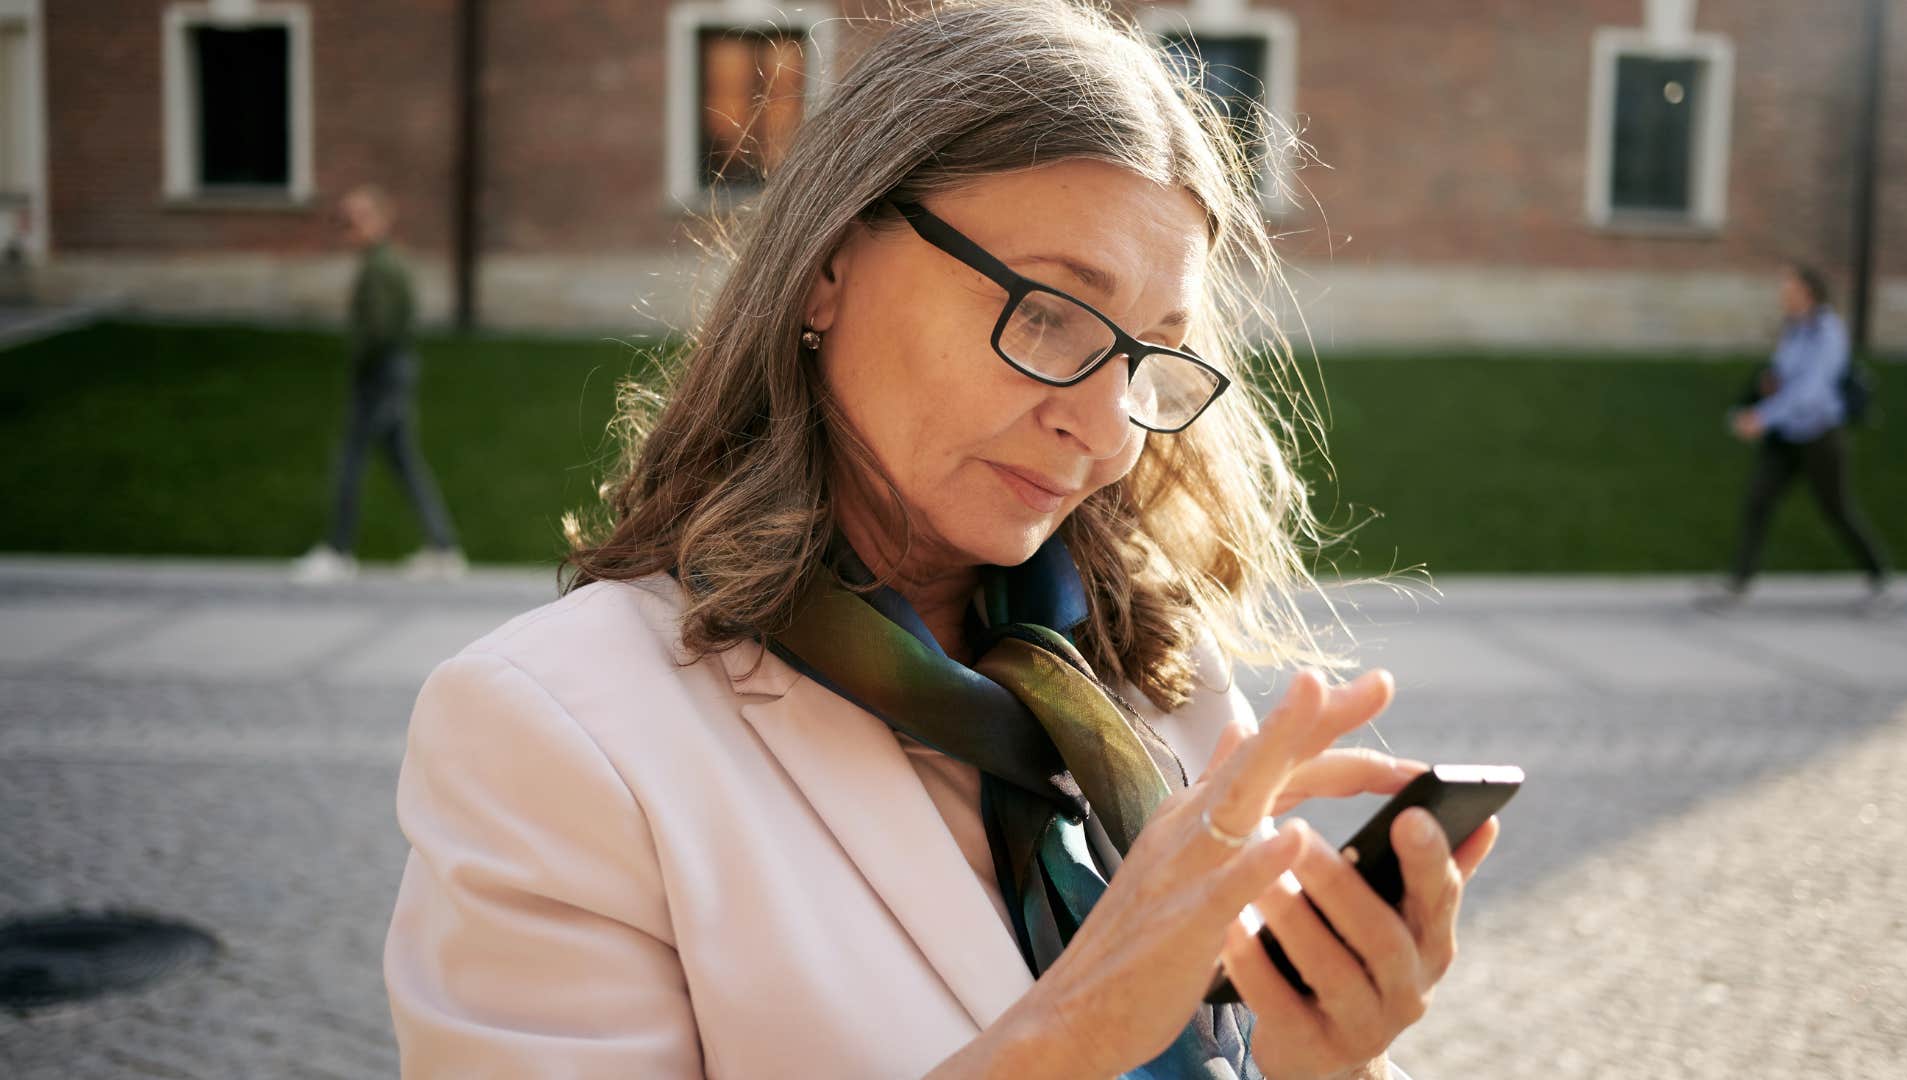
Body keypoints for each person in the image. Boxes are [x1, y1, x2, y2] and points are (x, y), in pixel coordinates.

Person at [383, 4, 1499, 1077]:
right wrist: (1071, 1035)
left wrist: (1332, 1061)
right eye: (1051, 313)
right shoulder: (555, 734)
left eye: (1149, 356)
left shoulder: (1158, 680)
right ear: (829, 266)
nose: (1106, 432)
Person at [291, 184, 465, 584]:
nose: (349, 227)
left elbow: (381, 330)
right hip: (391, 373)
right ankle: (443, 548)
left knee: (352, 458)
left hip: (381, 376)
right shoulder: (382, 263)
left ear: (381, 220)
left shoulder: (382, 267)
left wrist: (364, 365)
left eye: (357, 218)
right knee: (404, 462)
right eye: (345, 220)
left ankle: (338, 550)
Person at [1707, 263, 1891, 611]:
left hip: (1820, 434)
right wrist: (1761, 397)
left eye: (1788, 288)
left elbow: (1811, 390)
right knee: (1758, 500)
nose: (1782, 295)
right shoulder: (1793, 330)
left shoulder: (1828, 332)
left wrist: (1762, 417)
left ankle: (1880, 579)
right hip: (1786, 435)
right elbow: (1783, 377)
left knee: (1837, 508)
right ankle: (1739, 582)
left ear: (1807, 292)